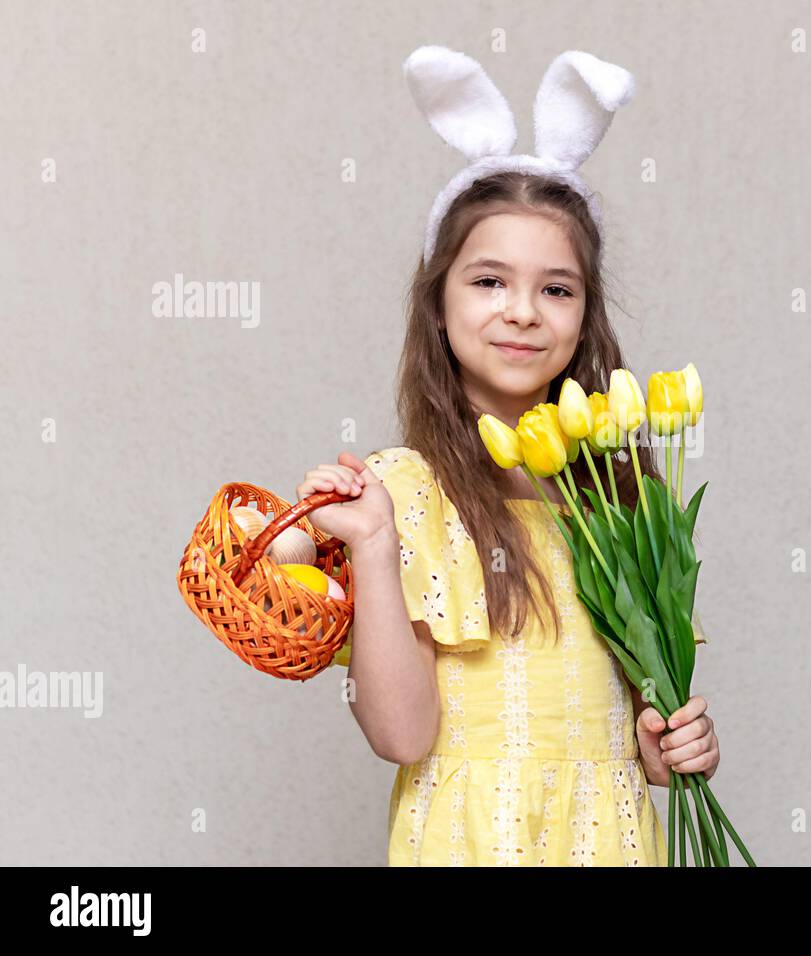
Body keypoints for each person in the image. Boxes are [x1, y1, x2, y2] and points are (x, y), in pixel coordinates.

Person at [296, 46, 719, 866]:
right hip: (471, 844)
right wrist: (375, 548)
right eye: (489, 281)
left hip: (612, 841)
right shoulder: (403, 494)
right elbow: (401, 732)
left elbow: (642, 726)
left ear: (585, 313)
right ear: (439, 301)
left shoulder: (616, 488)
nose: (523, 311)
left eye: (556, 288)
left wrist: (675, 745)